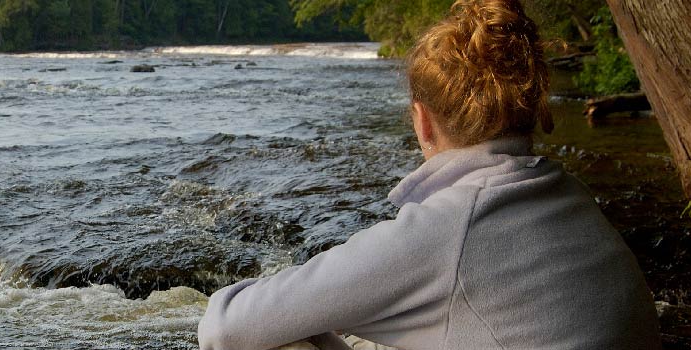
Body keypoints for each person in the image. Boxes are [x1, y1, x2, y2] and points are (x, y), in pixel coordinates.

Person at [196, 0, 662, 349]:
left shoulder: (446, 229)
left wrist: (310, 311)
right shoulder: (570, 195)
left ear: (421, 119)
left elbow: (225, 327)